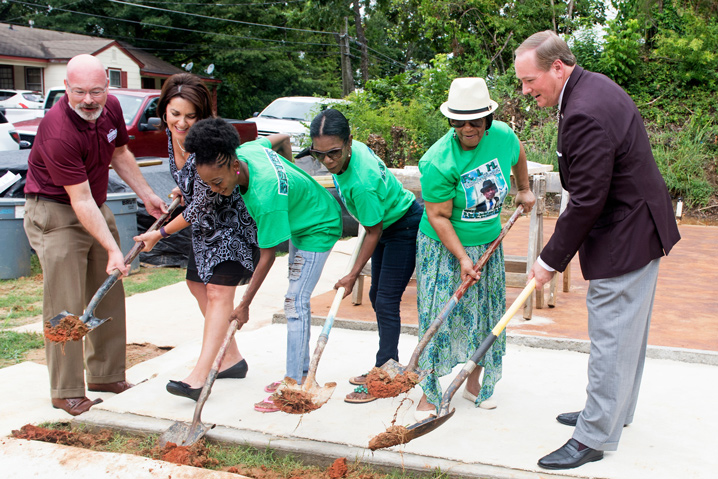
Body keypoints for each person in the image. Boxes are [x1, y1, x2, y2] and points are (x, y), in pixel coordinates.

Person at [514, 31, 681, 470]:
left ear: (557, 67)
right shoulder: (592, 87)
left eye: (529, 80)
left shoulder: (585, 109)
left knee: (611, 335)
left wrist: (549, 260)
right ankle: (611, 413)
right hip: (639, 224)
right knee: (628, 334)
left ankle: (592, 437)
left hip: (626, 234)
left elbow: (586, 198)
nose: (526, 90)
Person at [23, 54, 167, 416]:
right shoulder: (58, 130)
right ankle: (67, 390)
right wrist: (112, 248)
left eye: (97, 91)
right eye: (80, 92)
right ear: (67, 89)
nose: (89, 100)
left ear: (107, 88)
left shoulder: (111, 108)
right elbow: (80, 198)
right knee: (66, 304)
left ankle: (106, 374)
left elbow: (120, 153)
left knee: (108, 294)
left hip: (94, 205)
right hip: (56, 210)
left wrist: (147, 194)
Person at [183, 117, 342, 413]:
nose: (216, 190)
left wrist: (244, 305)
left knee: (295, 302)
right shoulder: (247, 150)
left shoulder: (266, 195)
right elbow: (281, 138)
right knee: (297, 300)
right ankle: (302, 373)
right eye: (208, 184)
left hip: (319, 226)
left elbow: (266, 257)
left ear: (233, 166)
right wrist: (291, 178)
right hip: (303, 218)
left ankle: (294, 385)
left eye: (217, 182)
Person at [133, 74, 259, 401]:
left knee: (218, 292)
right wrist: (184, 188)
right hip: (205, 232)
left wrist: (157, 234)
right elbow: (194, 194)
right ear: (164, 113)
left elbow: (199, 207)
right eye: (175, 114)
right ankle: (231, 359)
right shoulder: (171, 138)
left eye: (191, 116)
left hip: (233, 226)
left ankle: (199, 376)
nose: (182, 122)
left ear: (201, 116)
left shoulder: (206, 144)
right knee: (196, 285)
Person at [414, 77, 535, 420]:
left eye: (475, 120)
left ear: (488, 120)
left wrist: (523, 188)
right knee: (438, 316)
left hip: (488, 243)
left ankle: (473, 382)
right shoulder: (438, 160)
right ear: (451, 121)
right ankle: (429, 390)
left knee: (486, 314)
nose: (468, 128)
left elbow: (519, 152)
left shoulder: (502, 137)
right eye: (459, 121)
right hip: (443, 248)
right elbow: (437, 215)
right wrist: (463, 258)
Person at [308, 109, 423, 404]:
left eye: (333, 153)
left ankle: (386, 372)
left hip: (402, 226)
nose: (327, 161)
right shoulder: (352, 154)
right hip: (385, 223)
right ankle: (386, 362)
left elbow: (372, 231)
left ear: (349, 142)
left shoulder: (361, 182)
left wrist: (352, 274)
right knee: (377, 297)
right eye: (319, 154)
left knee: (386, 299)